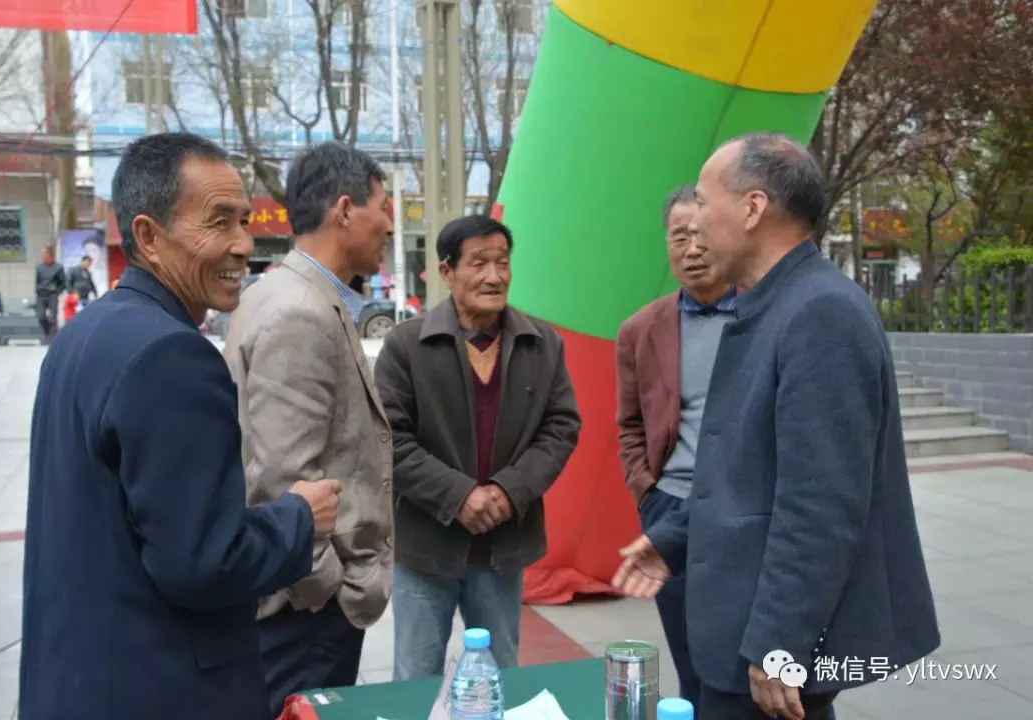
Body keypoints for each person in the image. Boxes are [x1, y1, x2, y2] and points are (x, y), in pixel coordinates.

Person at [612, 133, 939, 720]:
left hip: (764, 645)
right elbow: (750, 469)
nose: (694, 224)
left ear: (753, 208)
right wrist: (674, 539)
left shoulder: (819, 313)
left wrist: (778, 643)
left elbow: (820, 504)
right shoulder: (772, 305)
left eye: (703, 202)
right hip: (736, 627)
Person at [19, 132, 344, 720]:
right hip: (160, 688)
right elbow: (203, 563)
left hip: (77, 679)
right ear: (148, 236)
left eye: (244, 221)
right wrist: (299, 517)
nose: (243, 244)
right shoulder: (171, 357)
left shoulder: (85, 333)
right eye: (219, 222)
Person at [223, 141, 395, 714]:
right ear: (344, 210)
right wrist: (321, 586)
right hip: (307, 609)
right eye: (382, 207)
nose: (389, 225)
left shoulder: (291, 294)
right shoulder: (300, 310)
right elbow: (281, 475)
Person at [375, 214, 581, 681]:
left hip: (502, 545)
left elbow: (561, 428)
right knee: (416, 677)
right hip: (426, 546)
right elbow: (388, 438)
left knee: (500, 674)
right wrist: (459, 495)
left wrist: (510, 491)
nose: (494, 276)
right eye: (479, 263)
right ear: (447, 272)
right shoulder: (406, 345)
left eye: (502, 262)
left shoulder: (542, 344)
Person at [614, 185, 735, 709]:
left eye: (702, 235)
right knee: (691, 657)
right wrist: (648, 490)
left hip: (744, 508)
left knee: (760, 659)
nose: (692, 249)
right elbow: (629, 424)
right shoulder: (641, 329)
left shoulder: (764, 316)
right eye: (679, 236)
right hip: (671, 508)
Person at [35, 245, 66, 343]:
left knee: (53, 317)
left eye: (43, 253)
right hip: (41, 294)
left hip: (52, 293)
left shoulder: (58, 267)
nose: (42, 255)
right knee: (40, 316)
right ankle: (47, 332)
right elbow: (37, 281)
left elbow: (63, 282)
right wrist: (37, 290)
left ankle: (52, 337)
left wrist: (57, 291)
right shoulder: (39, 267)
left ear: (49, 254)